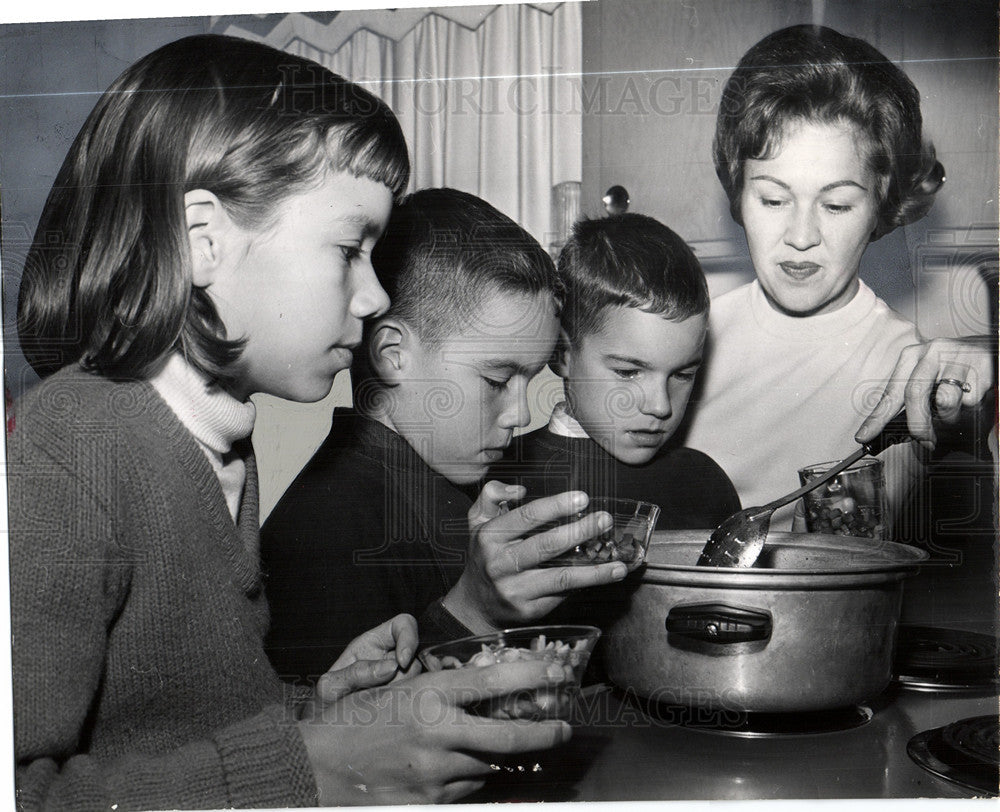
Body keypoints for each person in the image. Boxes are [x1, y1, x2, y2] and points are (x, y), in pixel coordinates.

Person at [9, 36, 577, 809]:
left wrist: (315, 715)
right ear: (204, 241)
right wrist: (313, 766)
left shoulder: (213, 438)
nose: (375, 297)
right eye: (350, 249)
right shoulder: (72, 446)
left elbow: (165, 732)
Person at [263, 187, 628, 681]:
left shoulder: (452, 484)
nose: (520, 414)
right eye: (497, 381)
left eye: (531, 378)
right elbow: (344, 739)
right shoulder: (325, 531)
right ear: (394, 355)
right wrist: (473, 610)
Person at [676, 24, 996, 531]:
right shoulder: (686, 339)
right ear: (737, 189)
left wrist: (968, 419)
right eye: (774, 199)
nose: (801, 235)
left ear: (882, 206)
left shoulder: (904, 370)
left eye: (836, 204)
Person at [493, 213, 740, 528]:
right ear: (563, 354)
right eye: (628, 372)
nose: (660, 406)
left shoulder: (705, 484)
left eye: (682, 375)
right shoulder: (501, 478)